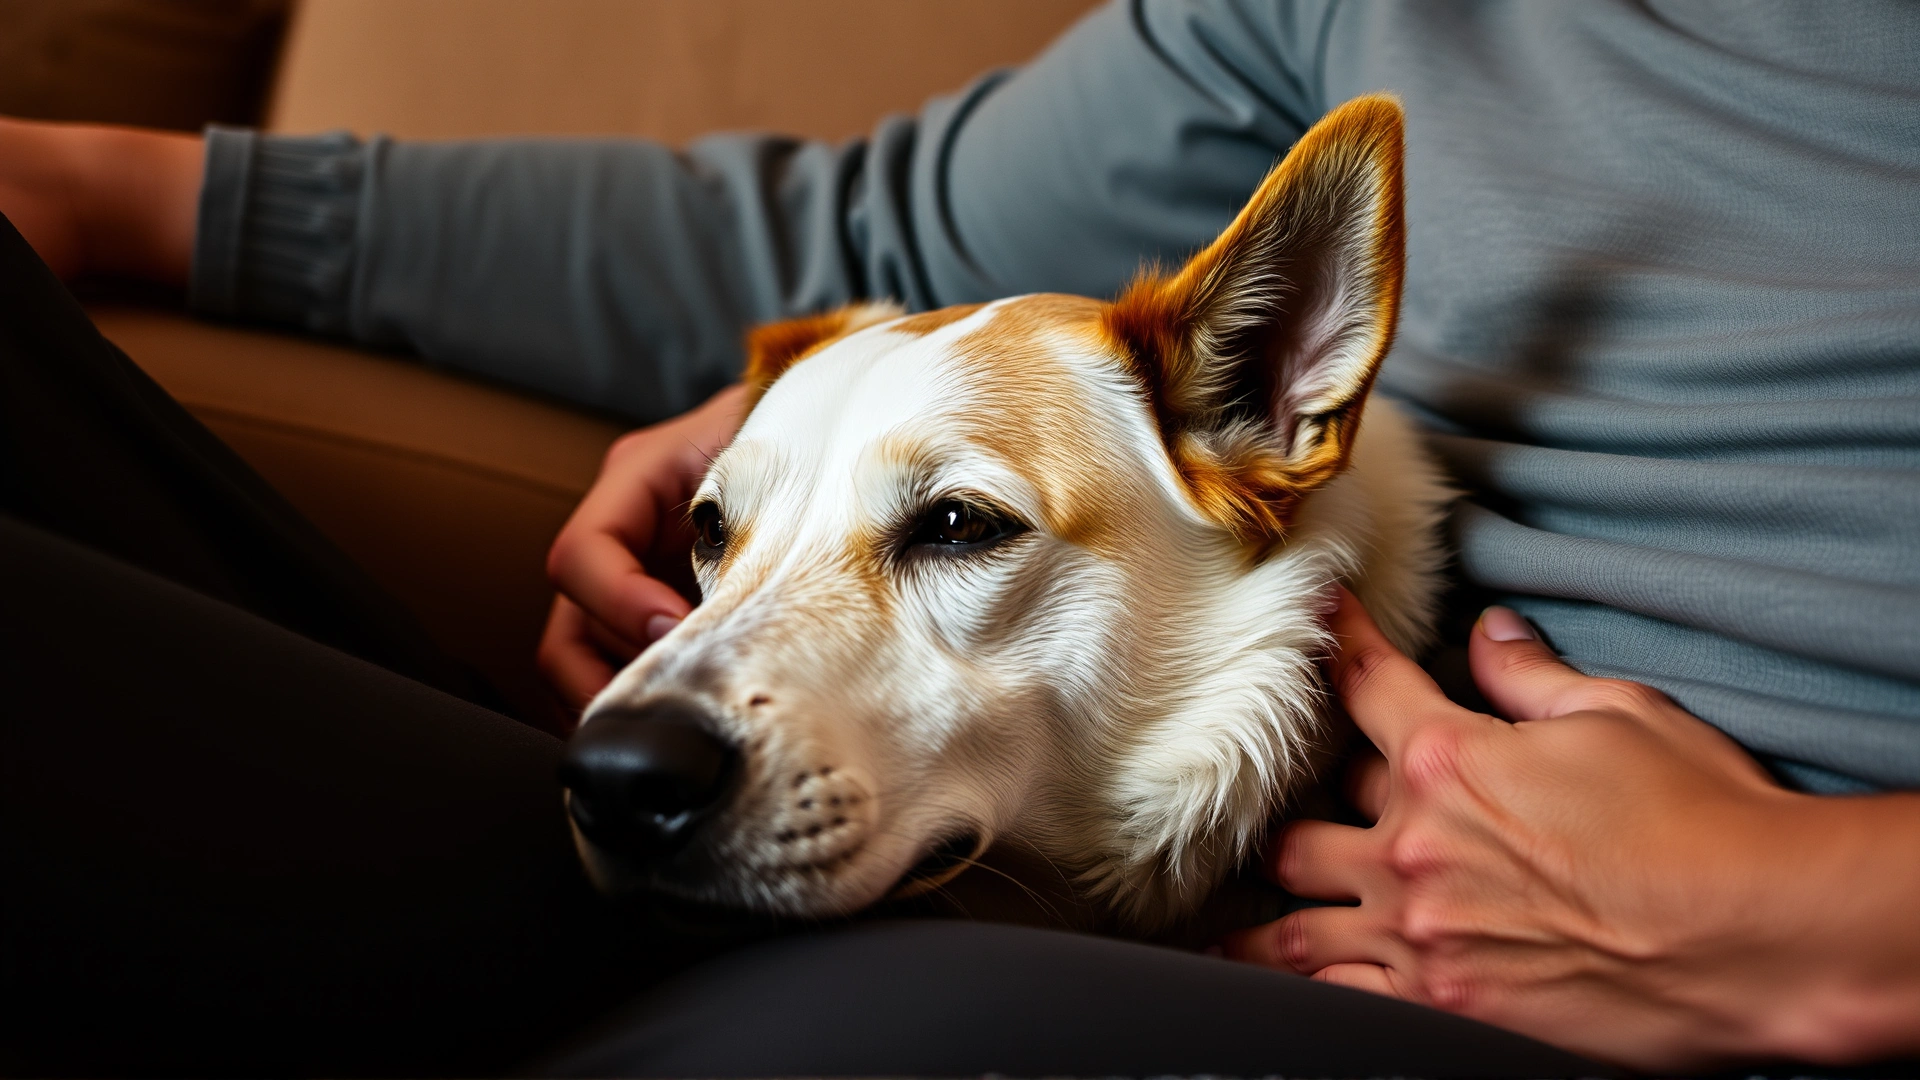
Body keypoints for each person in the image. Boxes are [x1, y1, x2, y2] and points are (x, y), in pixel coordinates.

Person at [2, 0, 1916, 1074]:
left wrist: (1808, 925)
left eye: (953, 529)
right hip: (950, 866)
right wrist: (90, 188)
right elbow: (863, 240)